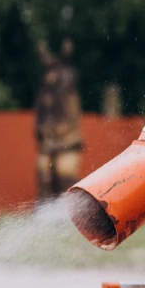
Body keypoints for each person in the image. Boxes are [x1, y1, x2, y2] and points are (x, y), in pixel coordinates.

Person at [35, 38, 84, 198]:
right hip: (49, 139)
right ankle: (46, 210)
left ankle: (67, 208)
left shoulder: (68, 91)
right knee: (44, 175)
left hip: (67, 140)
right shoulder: (45, 95)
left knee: (66, 175)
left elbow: (72, 116)